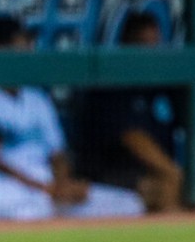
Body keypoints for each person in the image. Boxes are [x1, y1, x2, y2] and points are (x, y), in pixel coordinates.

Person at [0, 17, 144, 220]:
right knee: (17, 211)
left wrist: (63, 185)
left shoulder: (36, 99)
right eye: (20, 43)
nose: (28, 50)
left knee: (129, 204)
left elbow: (57, 153)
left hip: (49, 184)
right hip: (9, 186)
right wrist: (44, 188)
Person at [75, 12, 187, 213]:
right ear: (126, 44)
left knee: (188, 185)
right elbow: (132, 137)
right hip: (111, 174)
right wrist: (172, 171)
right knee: (161, 186)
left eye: (154, 44)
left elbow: (192, 124)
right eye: (142, 44)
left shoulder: (163, 85)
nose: (150, 51)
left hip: (155, 170)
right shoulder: (110, 84)